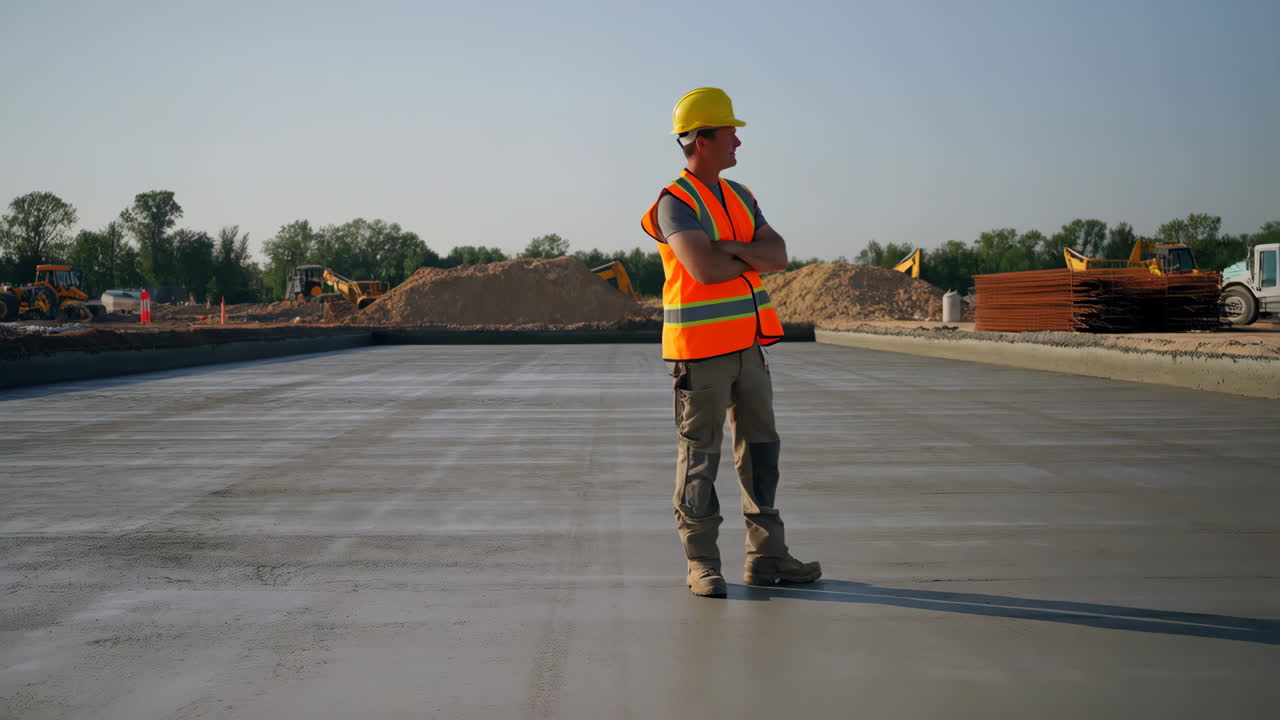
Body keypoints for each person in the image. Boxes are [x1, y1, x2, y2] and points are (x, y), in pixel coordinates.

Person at [640, 87, 821, 598]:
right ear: (701, 139)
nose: (738, 140)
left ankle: (767, 557)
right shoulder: (675, 203)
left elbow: (780, 254)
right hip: (700, 352)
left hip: (749, 348)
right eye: (729, 132)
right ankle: (701, 562)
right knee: (700, 457)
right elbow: (702, 267)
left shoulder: (741, 196)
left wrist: (732, 250)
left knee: (761, 452)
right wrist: (748, 254)